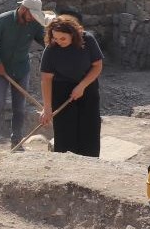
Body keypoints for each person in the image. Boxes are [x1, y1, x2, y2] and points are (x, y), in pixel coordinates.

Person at [0, 0, 49, 152]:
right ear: (23, 9)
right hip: (1, 70)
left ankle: (16, 141)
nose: (33, 19)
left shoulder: (34, 24)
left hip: (21, 69)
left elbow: (43, 40)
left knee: (19, 108)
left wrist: (53, 45)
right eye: (31, 15)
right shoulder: (2, 20)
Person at [38, 15, 104, 157]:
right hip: (61, 91)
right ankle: (65, 168)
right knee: (65, 133)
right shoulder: (51, 49)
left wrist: (82, 86)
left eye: (63, 38)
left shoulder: (88, 40)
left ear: (73, 35)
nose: (58, 41)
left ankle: (89, 165)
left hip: (87, 88)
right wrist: (47, 107)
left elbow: (97, 66)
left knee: (89, 129)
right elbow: (46, 78)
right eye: (55, 38)